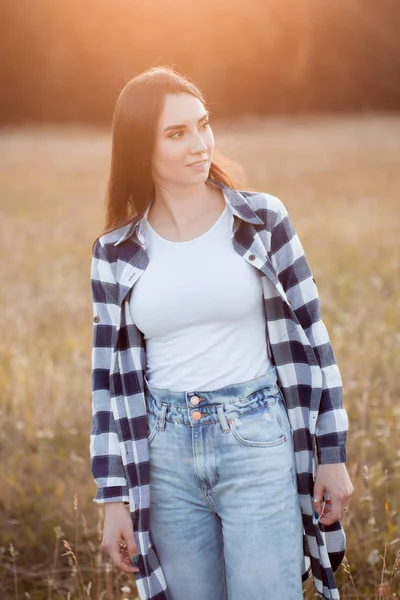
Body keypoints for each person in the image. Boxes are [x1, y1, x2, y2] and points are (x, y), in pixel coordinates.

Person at [89, 66, 353, 600]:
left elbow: (313, 341)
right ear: (142, 149)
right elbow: (108, 385)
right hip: (163, 454)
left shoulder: (261, 220)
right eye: (176, 133)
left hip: (256, 439)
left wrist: (332, 452)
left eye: (202, 125)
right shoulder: (114, 253)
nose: (199, 144)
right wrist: (112, 497)